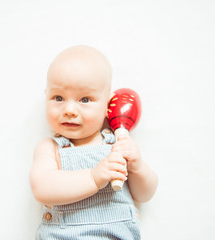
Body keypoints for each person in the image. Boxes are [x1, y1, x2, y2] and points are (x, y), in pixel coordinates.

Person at [30, 45, 158, 239]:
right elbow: (42, 189)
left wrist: (137, 167)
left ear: (108, 105)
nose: (70, 109)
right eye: (58, 98)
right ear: (46, 95)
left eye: (85, 99)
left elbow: (145, 195)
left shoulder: (117, 146)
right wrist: (93, 177)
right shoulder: (51, 148)